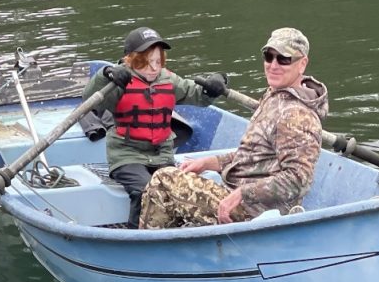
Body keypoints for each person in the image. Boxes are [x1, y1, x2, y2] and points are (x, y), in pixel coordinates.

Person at [139, 27, 328, 229]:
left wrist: (242, 193)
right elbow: (255, 155)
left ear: (302, 64)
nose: (273, 65)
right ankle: (176, 240)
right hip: (241, 195)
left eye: (284, 59)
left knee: (163, 179)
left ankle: (148, 248)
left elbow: (298, 180)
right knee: (179, 173)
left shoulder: (297, 115)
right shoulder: (276, 95)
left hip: (256, 213)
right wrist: (211, 162)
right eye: (268, 56)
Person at [82, 26, 228, 227]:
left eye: (158, 62)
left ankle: (176, 230)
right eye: (146, 62)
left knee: (175, 189)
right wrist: (104, 74)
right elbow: (91, 100)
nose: (153, 68)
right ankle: (138, 237)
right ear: (130, 61)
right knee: (145, 190)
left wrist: (216, 85)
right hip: (127, 156)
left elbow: (198, 95)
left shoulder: (169, 80)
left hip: (162, 154)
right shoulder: (118, 82)